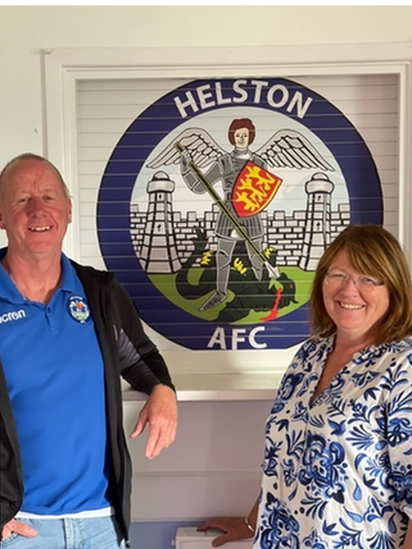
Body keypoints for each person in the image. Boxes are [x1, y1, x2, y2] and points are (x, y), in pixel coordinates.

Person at [0, 153, 178, 548]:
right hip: (19, 529)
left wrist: (164, 391)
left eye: (48, 196)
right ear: (0, 215)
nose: (37, 209)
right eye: (21, 199)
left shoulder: (100, 294)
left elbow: (142, 359)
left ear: (66, 210)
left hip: (100, 524)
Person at [198, 225, 412, 548]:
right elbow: (287, 459)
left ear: (393, 288)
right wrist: (252, 522)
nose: (349, 290)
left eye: (368, 278)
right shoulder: (310, 353)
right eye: (337, 275)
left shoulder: (402, 367)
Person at [180, 118, 268, 311]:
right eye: (238, 135)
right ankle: (220, 293)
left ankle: (261, 291)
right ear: (232, 137)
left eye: (245, 135)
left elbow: (263, 192)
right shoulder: (223, 162)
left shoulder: (260, 163)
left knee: (256, 255)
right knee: (222, 255)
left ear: (250, 136)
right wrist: (185, 168)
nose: (241, 138)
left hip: (250, 211)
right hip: (229, 212)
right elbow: (199, 187)